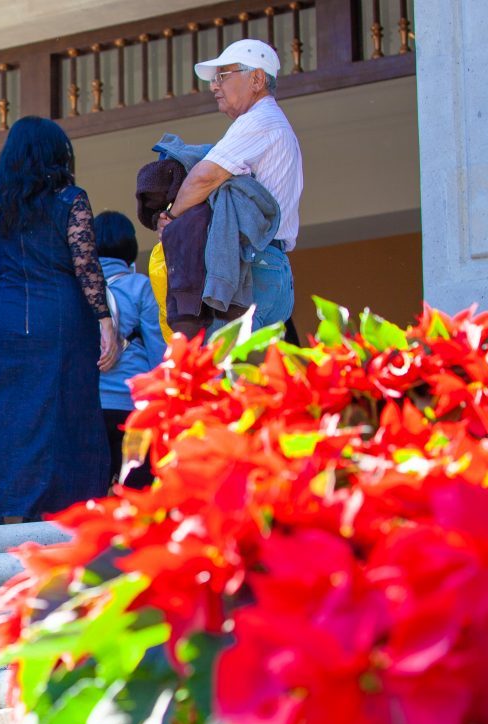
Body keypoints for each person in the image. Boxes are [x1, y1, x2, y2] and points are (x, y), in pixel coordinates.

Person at [0, 117, 119, 527]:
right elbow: (86, 265)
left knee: (4, 412)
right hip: (60, 315)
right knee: (65, 408)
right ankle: (61, 508)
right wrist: (105, 320)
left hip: (8, 313)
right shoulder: (70, 199)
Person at [160, 39, 302, 329]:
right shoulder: (274, 122)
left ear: (257, 79)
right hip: (272, 267)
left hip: (254, 269)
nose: (214, 86)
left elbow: (205, 177)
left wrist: (171, 219)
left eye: (222, 77)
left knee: (225, 369)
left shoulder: (259, 119)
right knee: (256, 372)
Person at [93, 211, 167, 490]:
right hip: (133, 409)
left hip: (90, 409)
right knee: (138, 495)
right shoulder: (141, 287)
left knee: (93, 496)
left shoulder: (78, 289)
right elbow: (158, 351)